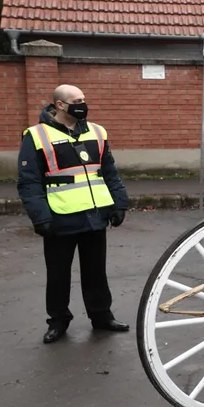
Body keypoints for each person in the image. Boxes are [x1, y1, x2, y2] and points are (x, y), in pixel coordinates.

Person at [17, 85, 130, 344]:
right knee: (58, 274)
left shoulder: (97, 131)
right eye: (76, 101)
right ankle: (58, 321)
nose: (82, 105)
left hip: (95, 215)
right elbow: (29, 181)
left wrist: (119, 204)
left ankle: (101, 316)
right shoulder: (36, 135)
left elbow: (109, 172)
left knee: (96, 272)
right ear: (59, 104)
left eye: (83, 100)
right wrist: (40, 217)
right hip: (60, 216)